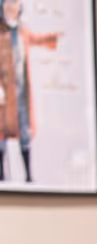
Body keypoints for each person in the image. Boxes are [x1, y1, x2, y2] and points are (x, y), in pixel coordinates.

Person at [0, 0, 59, 185]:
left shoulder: (22, 32)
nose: (11, 9)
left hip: (21, 94)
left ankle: (28, 176)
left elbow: (36, 39)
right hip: (4, 94)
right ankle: (2, 175)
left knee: (25, 131)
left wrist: (54, 38)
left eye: (15, 5)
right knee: (2, 132)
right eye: (8, 5)